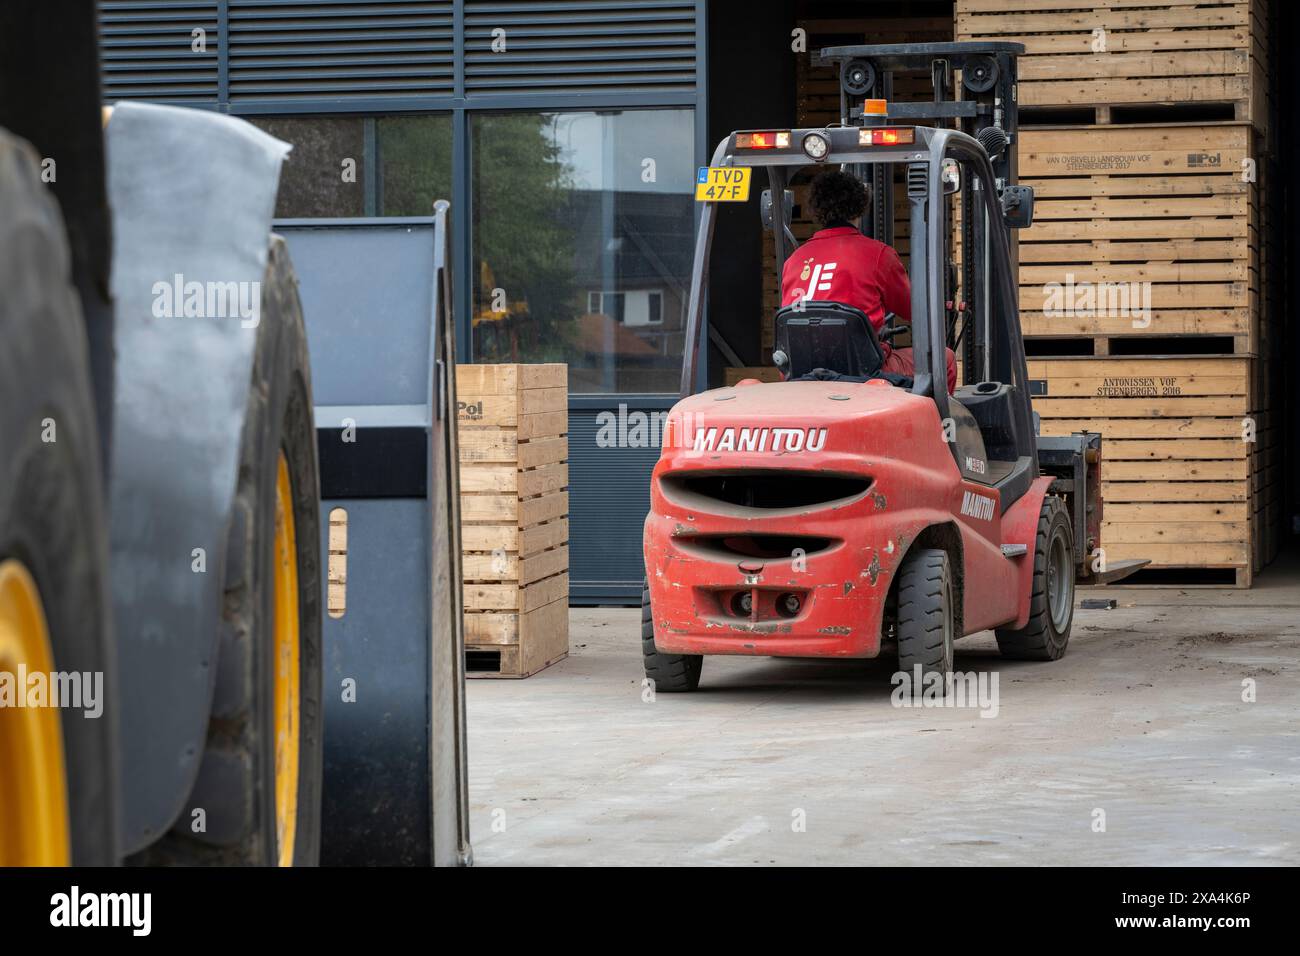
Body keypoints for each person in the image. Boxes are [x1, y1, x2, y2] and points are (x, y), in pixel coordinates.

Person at [780, 168, 957, 393]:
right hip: (862, 370)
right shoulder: (878, 255)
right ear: (860, 207)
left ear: (816, 210)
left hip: (801, 370)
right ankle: (937, 428)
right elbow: (915, 312)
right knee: (946, 358)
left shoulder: (794, 260)